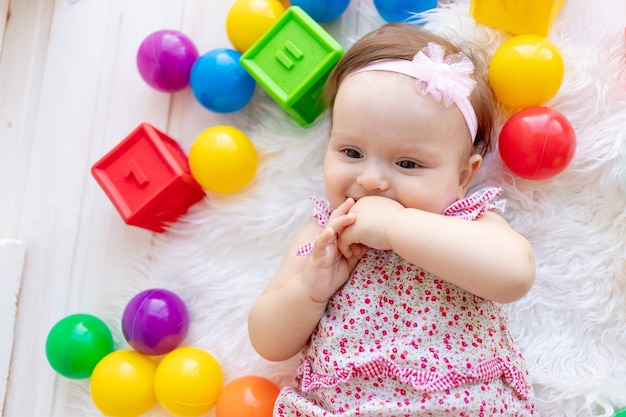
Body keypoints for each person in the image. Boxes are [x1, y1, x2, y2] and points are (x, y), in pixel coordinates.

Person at [248, 22, 536, 416]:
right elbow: (267, 341)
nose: (370, 179)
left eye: (407, 163)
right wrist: (309, 290)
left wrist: (395, 228)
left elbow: (515, 274)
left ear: (463, 177)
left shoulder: (467, 223)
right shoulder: (324, 236)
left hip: (460, 403)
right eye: (351, 153)